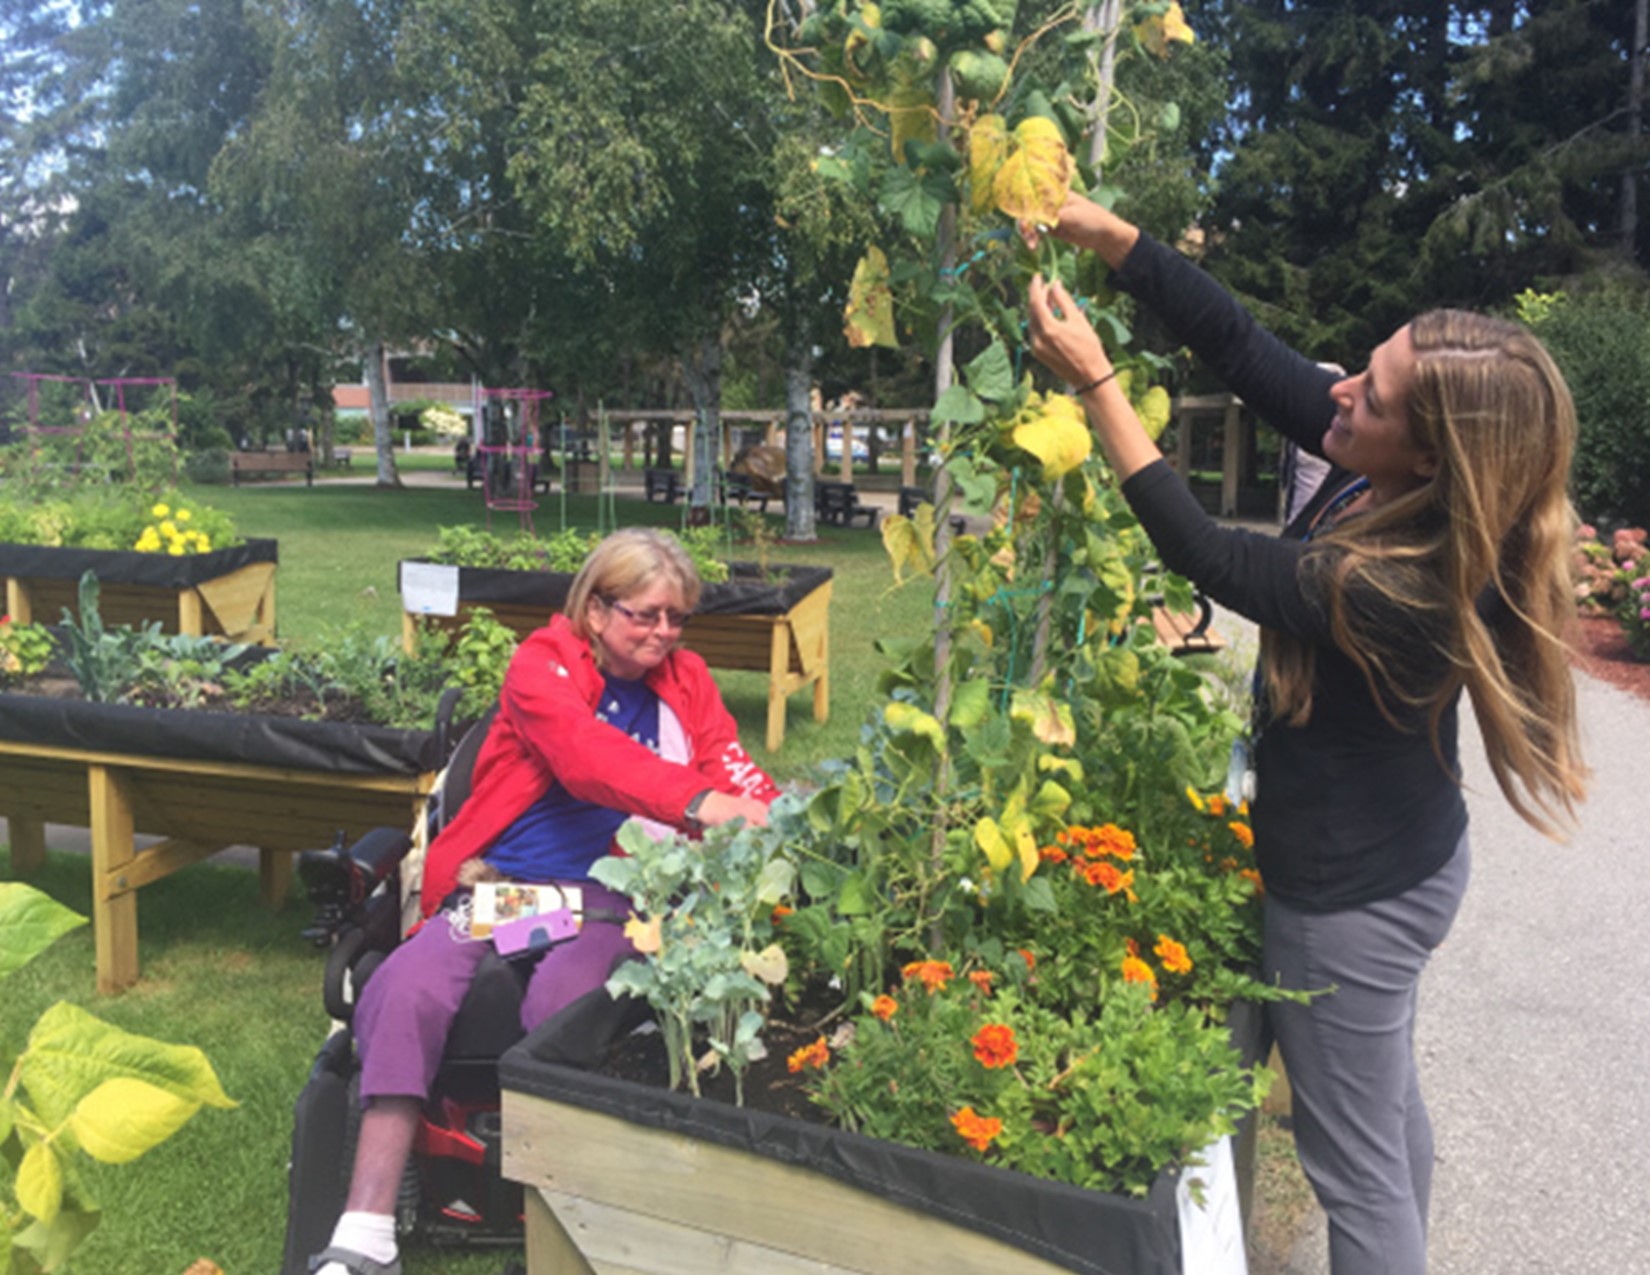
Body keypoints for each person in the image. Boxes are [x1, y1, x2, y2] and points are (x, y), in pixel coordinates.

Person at [1021, 194, 1586, 1275]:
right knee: (1383, 1116)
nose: (1341, 393)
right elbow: (1237, 344)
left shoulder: (1401, 582)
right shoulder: (1406, 483)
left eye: (1370, 396)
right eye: (1365, 367)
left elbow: (1212, 559)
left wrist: (1096, 384)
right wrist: (1108, 235)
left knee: (1353, 1169)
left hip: (1350, 900)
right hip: (1402, 863)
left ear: (1433, 460)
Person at [311, 527, 779, 1275]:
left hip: (613, 896)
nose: (665, 632)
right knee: (409, 984)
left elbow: (732, 764)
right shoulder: (543, 664)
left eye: (678, 617)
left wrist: (785, 812)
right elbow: (587, 757)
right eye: (646, 614)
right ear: (596, 609)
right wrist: (698, 799)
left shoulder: (688, 680)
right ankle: (363, 1233)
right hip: (510, 888)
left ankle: (554, 1227)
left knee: (569, 1004)